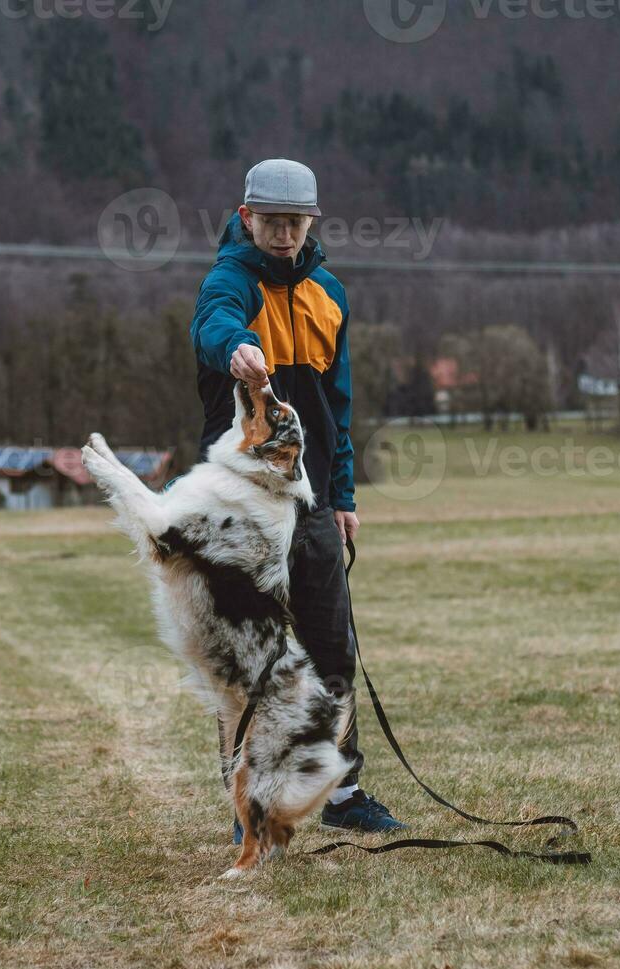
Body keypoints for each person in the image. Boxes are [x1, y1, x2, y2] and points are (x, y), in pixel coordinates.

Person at [176, 158, 407, 839]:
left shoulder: (329, 292)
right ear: (246, 218)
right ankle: (249, 802)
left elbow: (337, 405)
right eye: (270, 222)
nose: (282, 235)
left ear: (312, 222)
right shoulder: (229, 281)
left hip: (310, 509)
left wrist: (342, 495)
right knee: (248, 657)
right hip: (242, 509)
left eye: (294, 223)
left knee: (331, 646)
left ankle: (343, 791)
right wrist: (236, 349)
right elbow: (212, 324)